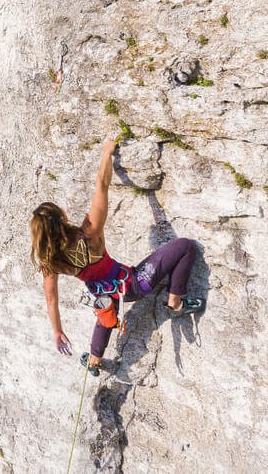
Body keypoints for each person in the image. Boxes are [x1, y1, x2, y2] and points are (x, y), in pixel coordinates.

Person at [29, 138, 205, 375]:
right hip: (133, 284)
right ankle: (175, 303)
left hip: (107, 299)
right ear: (61, 217)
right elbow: (102, 185)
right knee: (184, 246)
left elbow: (51, 301)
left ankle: (93, 361)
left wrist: (57, 331)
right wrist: (106, 154)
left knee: (105, 311)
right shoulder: (89, 232)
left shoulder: (52, 263)